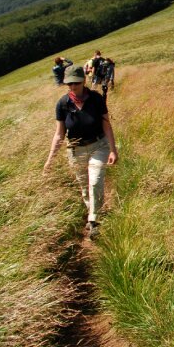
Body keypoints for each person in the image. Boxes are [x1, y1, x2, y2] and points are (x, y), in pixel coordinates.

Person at [43, 64, 118, 238]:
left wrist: (113, 150)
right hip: (76, 151)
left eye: (76, 83)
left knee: (95, 181)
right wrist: (49, 160)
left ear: (84, 81)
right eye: (69, 84)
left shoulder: (96, 99)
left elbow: (106, 125)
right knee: (85, 188)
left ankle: (93, 220)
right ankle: (93, 212)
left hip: (99, 146)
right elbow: (59, 134)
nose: (73, 87)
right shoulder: (62, 104)